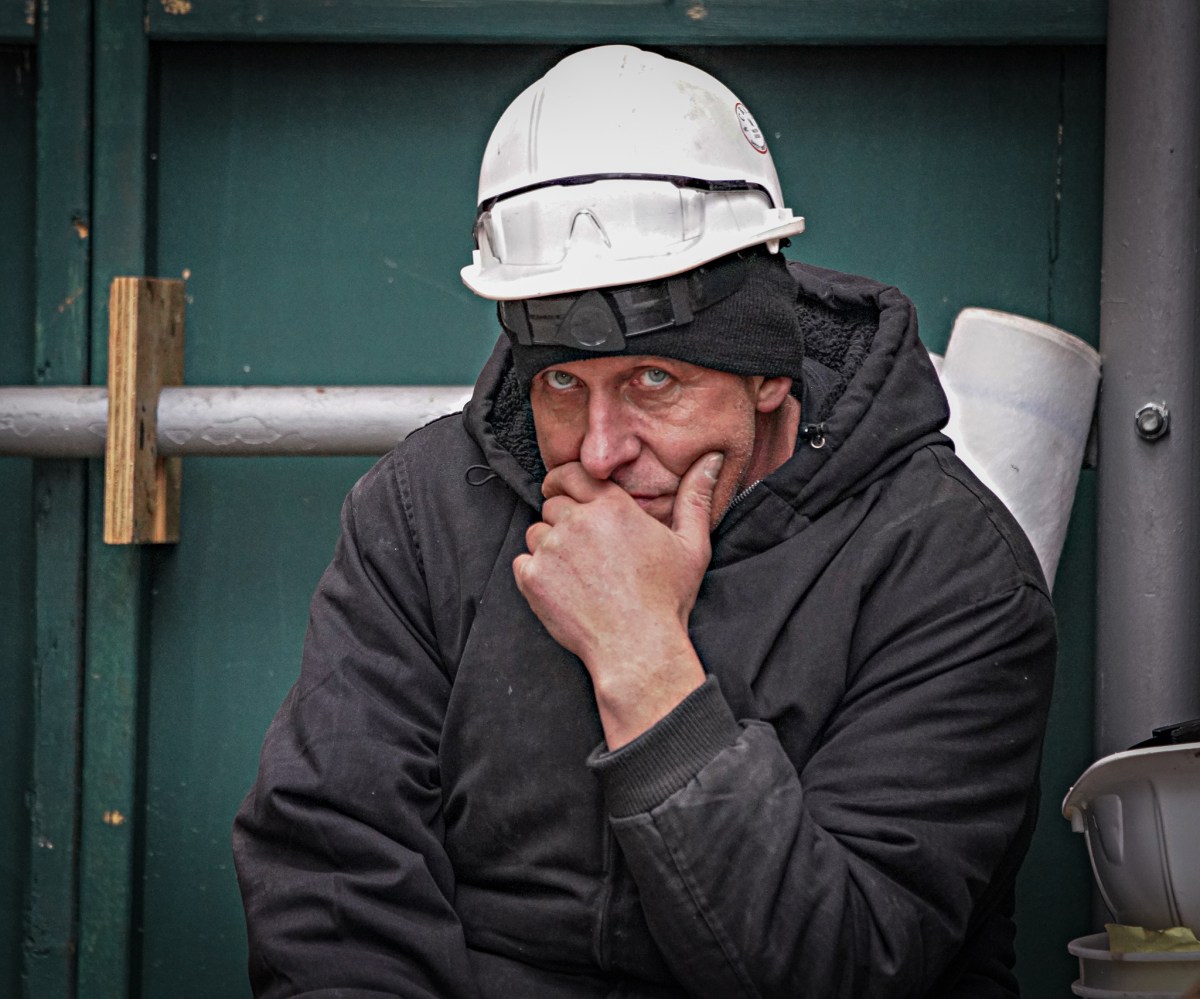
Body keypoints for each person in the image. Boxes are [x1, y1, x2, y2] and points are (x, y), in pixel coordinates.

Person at [233, 45, 1056, 998]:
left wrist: (643, 659)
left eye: (654, 382)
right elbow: (332, 874)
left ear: (768, 372)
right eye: (562, 386)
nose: (598, 449)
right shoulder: (425, 512)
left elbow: (848, 961)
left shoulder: (946, 567)